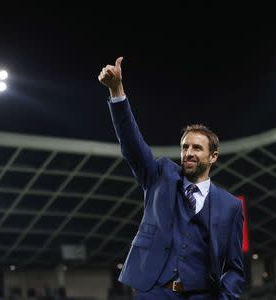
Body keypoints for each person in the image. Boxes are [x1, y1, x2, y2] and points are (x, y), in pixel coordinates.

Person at [98, 56, 244, 300]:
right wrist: (117, 91)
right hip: (153, 293)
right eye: (185, 147)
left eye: (197, 148)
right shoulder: (160, 175)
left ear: (213, 156)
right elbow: (132, 145)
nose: (188, 153)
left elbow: (234, 268)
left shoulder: (231, 206)